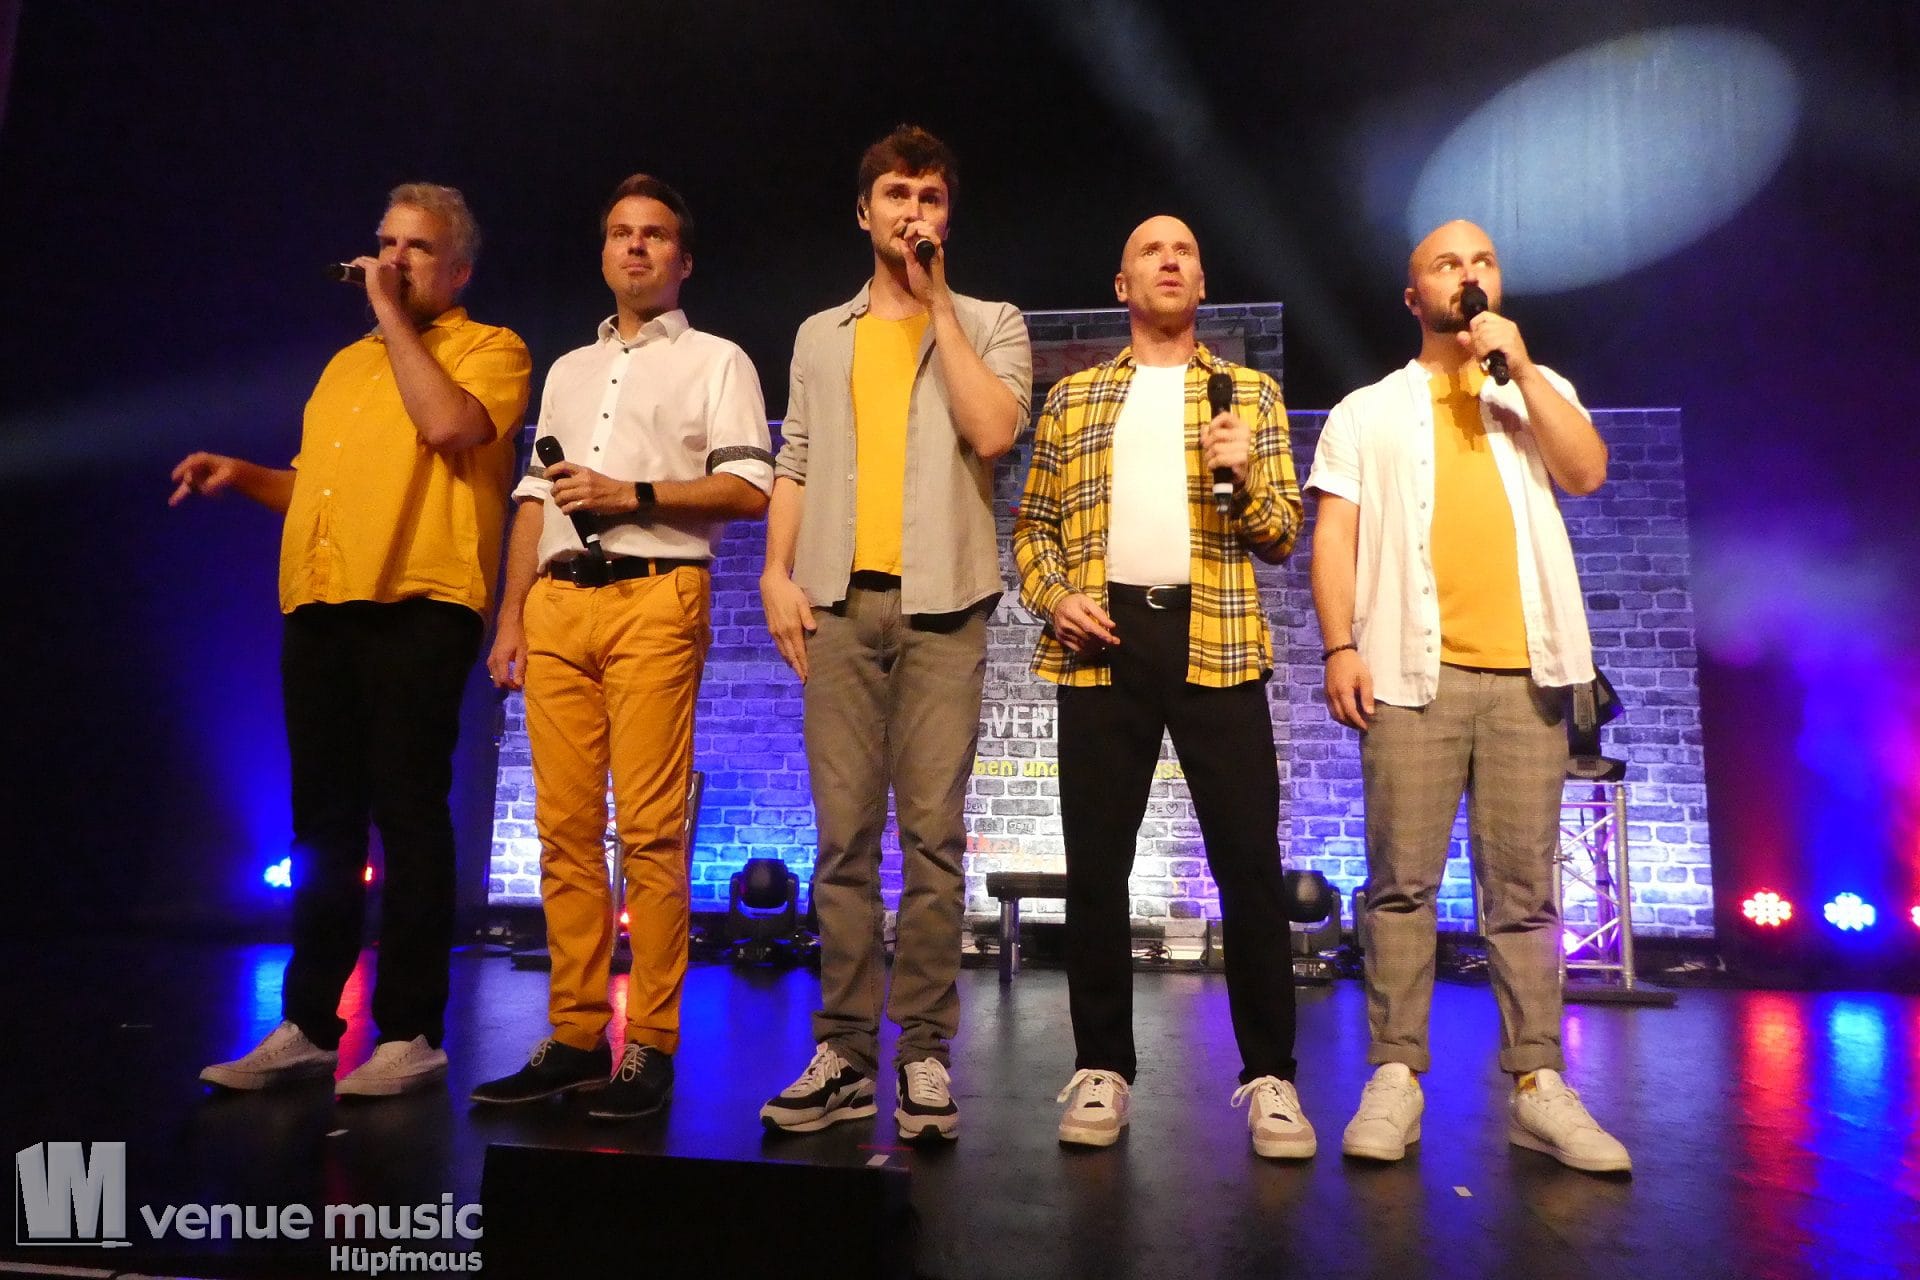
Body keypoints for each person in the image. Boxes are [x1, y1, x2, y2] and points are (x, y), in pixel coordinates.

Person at [175, 184, 531, 1097]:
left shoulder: (491, 349)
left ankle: (412, 1032)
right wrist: (242, 474)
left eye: (416, 248)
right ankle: (306, 1024)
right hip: (323, 601)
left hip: (421, 600)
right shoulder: (344, 367)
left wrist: (391, 316)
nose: (393, 260)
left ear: (458, 270)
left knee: (408, 815)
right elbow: (317, 489)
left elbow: (448, 426)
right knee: (323, 824)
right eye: (385, 243)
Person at [1307, 219, 1630, 1174]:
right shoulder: (1366, 411)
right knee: (1400, 885)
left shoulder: (1534, 387)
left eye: (1482, 260)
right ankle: (1395, 1074)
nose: (1469, 273)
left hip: (1530, 675)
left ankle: (1538, 1083)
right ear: (1416, 297)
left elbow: (1587, 471)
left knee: (1525, 895)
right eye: (1448, 263)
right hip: (1412, 675)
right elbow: (1335, 537)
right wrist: (1339, 645)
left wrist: (1521, 370)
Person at [469, 176, 772, 1120]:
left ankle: (651, 1044)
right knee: (561, 830)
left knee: (648, 830)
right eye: (619, 232)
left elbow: (749, 488)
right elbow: (534, 498)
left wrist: (630, 493)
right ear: (604, 252)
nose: (635, 246)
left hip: (655, 593)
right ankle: (573, 1035)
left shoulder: (719, 360)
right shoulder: (567, 368)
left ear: (683, 259)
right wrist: (512, 616)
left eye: (654, 234)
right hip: (558, 603)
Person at [1012, 214, 1313, 1157]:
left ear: (1202, 282)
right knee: (1097, 867)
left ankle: (1271, 1077)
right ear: (1122, 284)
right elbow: (1032, 526)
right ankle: (1103, 1069)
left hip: (1215, 636)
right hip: (1104, 638)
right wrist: (1055, 598)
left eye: (1185, 251)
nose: (1171, 260)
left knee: (1248, 866)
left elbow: (1281, 533)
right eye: (1151, 250)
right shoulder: (1075, 399)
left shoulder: (1249, 395)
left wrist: (1244, 476)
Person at [757, 125, 1031, 1142]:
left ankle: (922, 1051)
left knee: (933, 840)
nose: (914, 211)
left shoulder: (992, 321)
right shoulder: (820, 335)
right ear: (864, 211)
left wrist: (938, 302)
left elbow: (992, 430)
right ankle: (843, 1053)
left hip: (943, 609)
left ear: (946, 215)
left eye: (930, 196)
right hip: (837, 604)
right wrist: (775, 571)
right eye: (897, 194)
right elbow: (795, 457)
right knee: (841, 840)